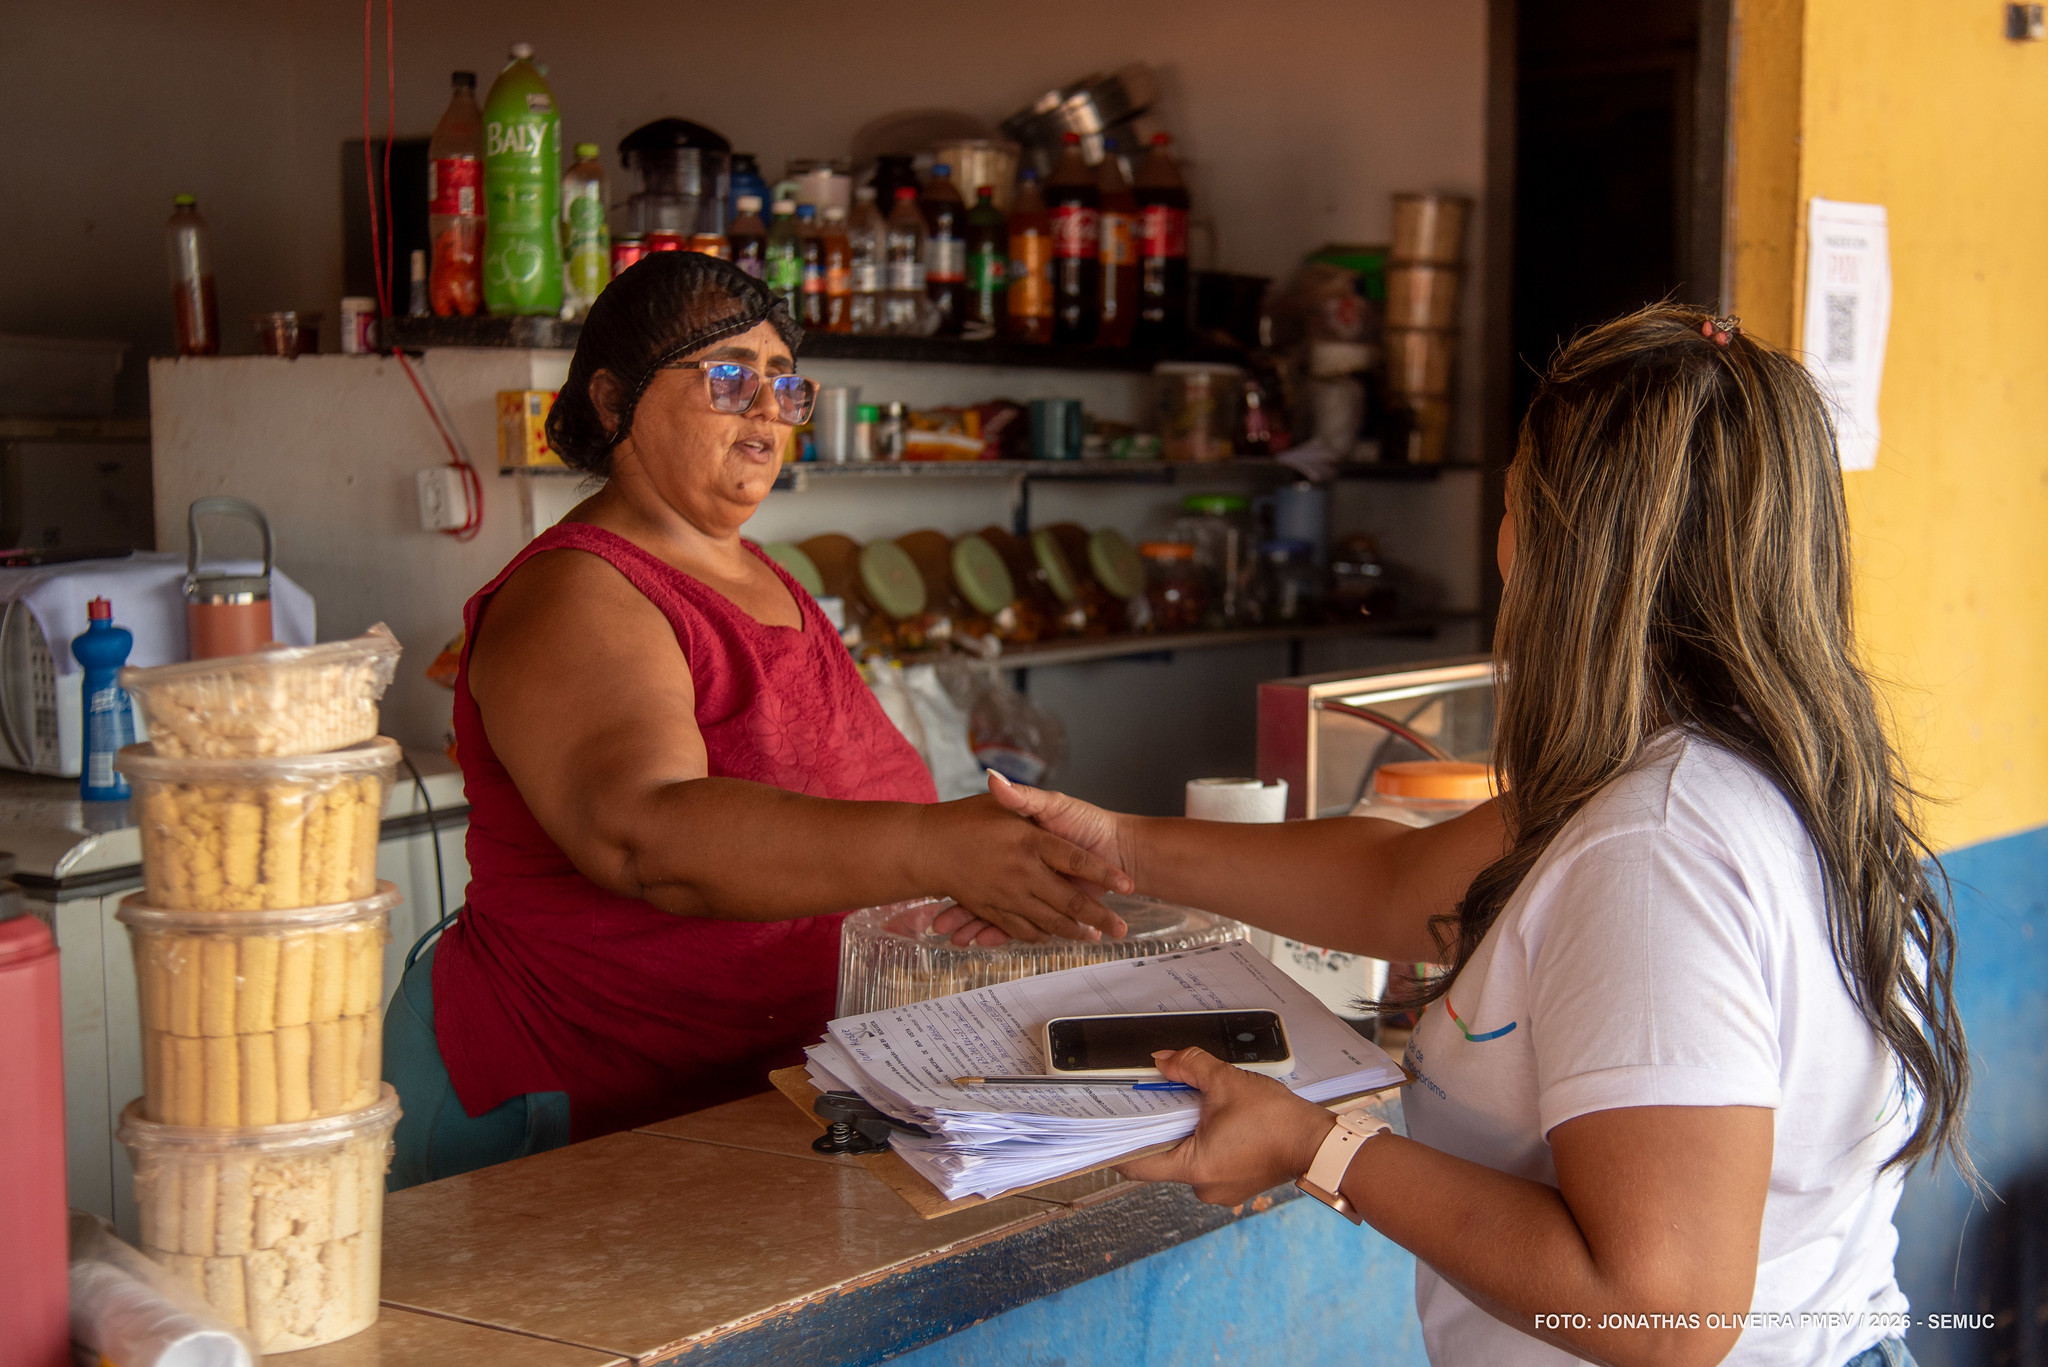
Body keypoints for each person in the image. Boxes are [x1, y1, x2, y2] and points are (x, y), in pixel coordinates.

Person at [970, 307, 1971, 1367]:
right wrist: (1118, 843)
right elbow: (1400, 881)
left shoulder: (1654, 852)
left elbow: (1661, 1309)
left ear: (1563, 553)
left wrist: (1318, 1145)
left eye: (1512, 503)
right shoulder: (1752, 769)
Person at [384, 253, 1130, 1187]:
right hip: (569, 1101)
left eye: (785, 383)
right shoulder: (576, 591)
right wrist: (934, 847)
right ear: (614, 401)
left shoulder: (765, 578)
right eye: (730, 376)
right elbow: (644, 834)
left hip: (741, 1099)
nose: (769, 409)